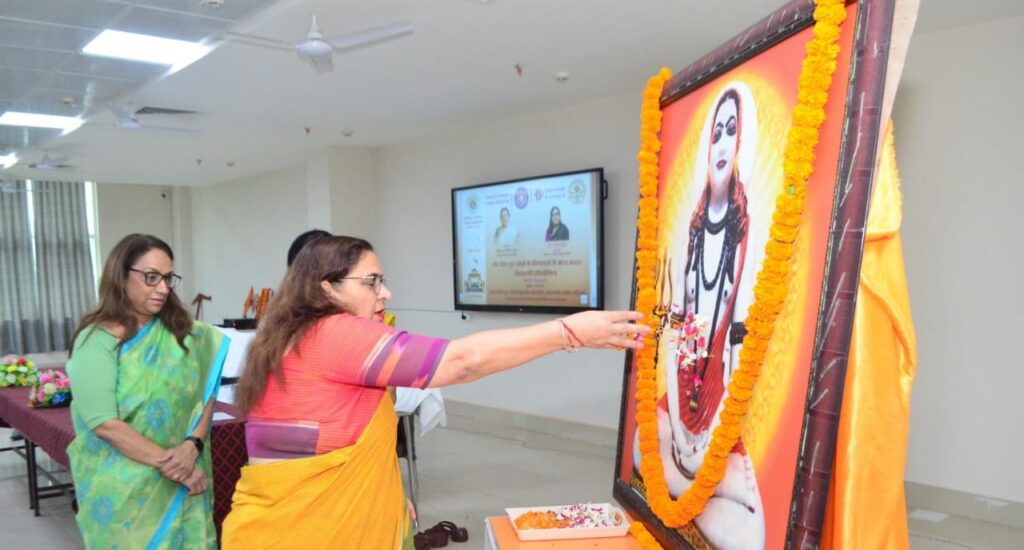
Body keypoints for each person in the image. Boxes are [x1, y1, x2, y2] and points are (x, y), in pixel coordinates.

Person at [221, 235, 646, 548]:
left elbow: (334, 437)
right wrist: (569, 331)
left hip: (273, 525)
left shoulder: (291, 336)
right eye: (371, 282)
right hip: (308, 533)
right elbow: (463, 362)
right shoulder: (335, 333)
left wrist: (388, 494)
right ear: (327, 287)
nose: (386, 293)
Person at [65, 234, 229, 549]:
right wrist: (175, 467)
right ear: (121, 276)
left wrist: (192, 445)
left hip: (185, 471)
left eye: (168, 278)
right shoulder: (96, 340)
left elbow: (206, 391)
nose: (163, 288)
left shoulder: (183, 333)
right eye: (151, 277)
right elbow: (104, 424)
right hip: (125, 489)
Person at [658, 88, 765, 547]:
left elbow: (739, 334)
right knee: (646, 449)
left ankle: (697, 487)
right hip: (685, 376)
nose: (721, 143)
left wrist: (719, 418)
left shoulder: (745, 228)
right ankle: (692, 488)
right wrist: (677, 397)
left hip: (720, 384)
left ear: (740, 146)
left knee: (748, 534)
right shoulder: (694, 227)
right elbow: (681, 320)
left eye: (731, 132)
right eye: (716, 133)